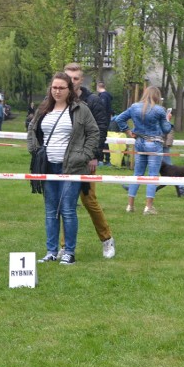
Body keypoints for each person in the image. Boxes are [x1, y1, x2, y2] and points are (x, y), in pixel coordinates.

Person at [27, 72, 99, 265]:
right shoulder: (44, 108)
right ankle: (51, 251)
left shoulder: (80, 109)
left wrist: (84, 155)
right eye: (54, 87)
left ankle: (69, 251)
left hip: (72, 168)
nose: (57, 91)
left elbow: (93, 132)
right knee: (50, 210)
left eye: (61, 88)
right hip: (47, 166)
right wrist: (34, 150)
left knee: (67, 210)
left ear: (69, 90)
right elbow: (32, 129)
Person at [64, 63, 115, 259]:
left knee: (88, 200)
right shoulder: (58, 99)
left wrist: (95, 155)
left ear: (81, 80)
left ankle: (107, 239)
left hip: (86, 159)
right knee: (64, 203)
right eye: (69, 77)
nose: (72, 81)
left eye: (75, 78)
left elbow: (101, 128)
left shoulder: (93, 101)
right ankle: (63, 246)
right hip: (64, 159)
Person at [114, 85, 172, 215]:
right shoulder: (160, 110)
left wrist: (129, 132)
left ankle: (130, 205)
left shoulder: (134, 107)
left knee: (137, 174)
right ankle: (148, 207)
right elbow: (166, 129)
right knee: (152, 176)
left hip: (139, 142)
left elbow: (119, 119)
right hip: (154, 143)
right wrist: (168, 120)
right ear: (157, 96)